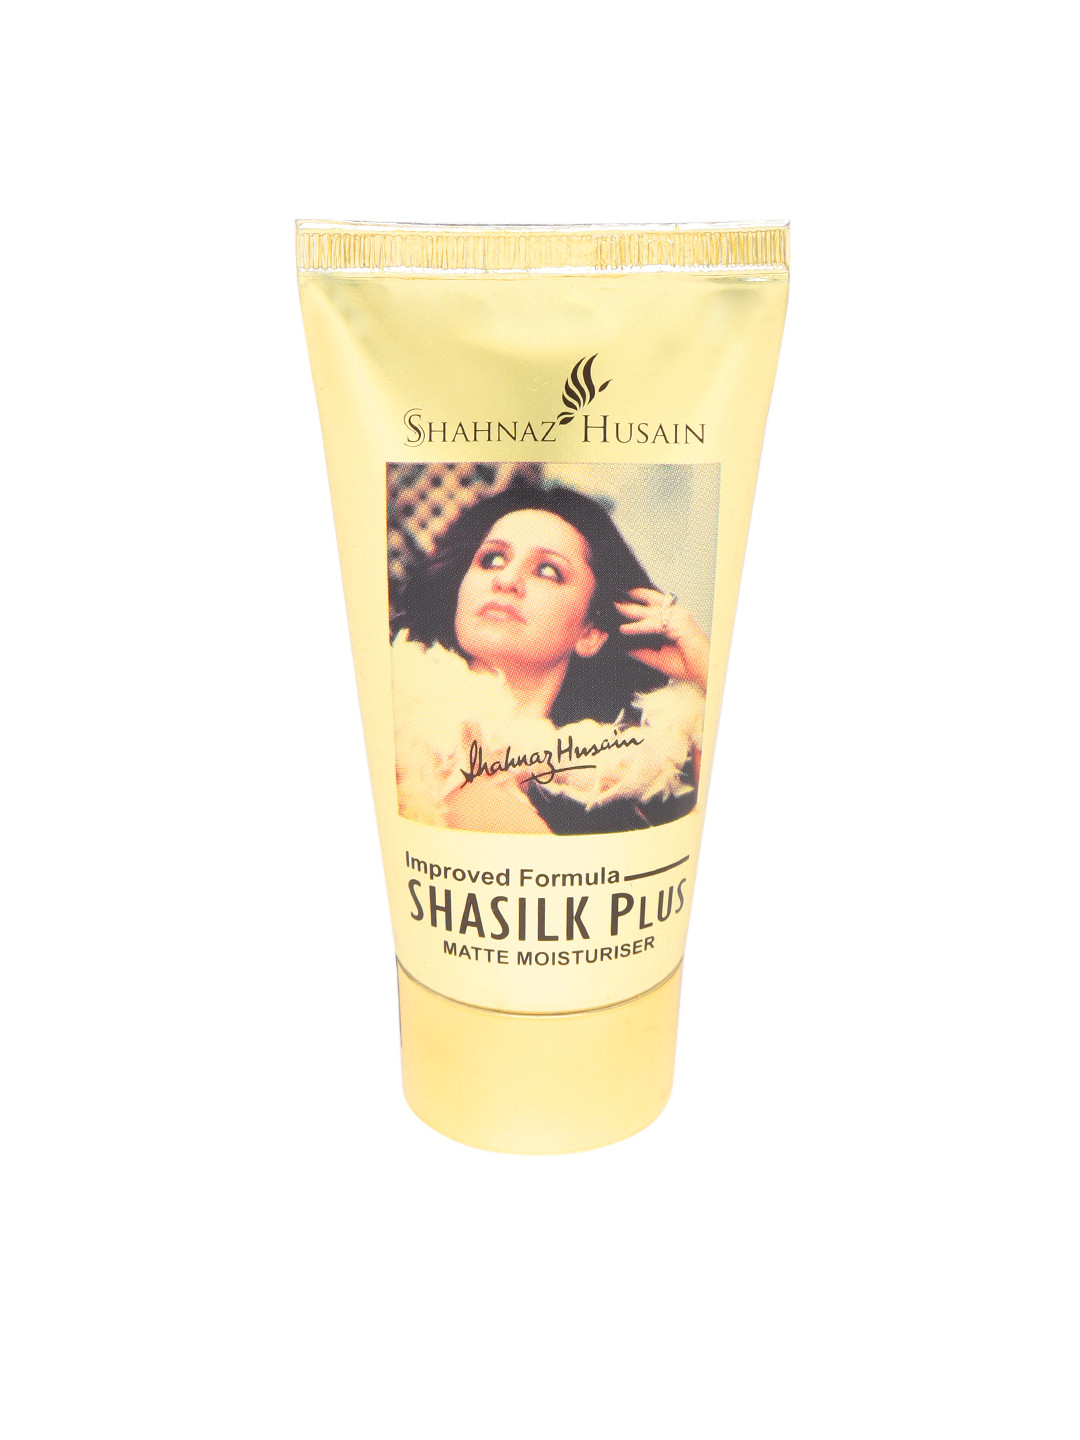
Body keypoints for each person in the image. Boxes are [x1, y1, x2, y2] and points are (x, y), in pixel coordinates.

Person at [392, 480, 709, 833]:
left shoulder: (616, 792)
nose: (507, 580)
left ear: (590, 632)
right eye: (492, 559)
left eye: (547, 570)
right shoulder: (389, 710)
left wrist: (707, 669)